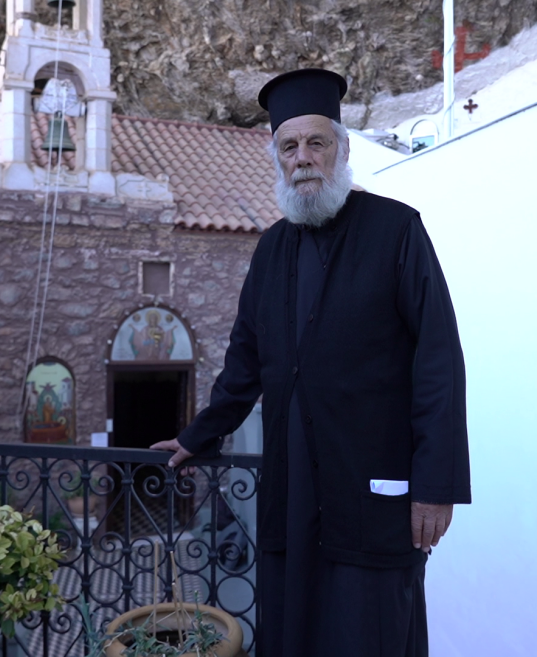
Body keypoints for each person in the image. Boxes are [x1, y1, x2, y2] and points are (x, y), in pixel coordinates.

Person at [151, 68, 471, 656]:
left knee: (370, 633)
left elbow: (439, 361)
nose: (303, 158)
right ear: (277, 159)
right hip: (293, 494)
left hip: (373, 495)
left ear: (341, 150)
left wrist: (436, 485)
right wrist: (199, 435)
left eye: (316, 142)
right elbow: (244, 361)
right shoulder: (271, 248)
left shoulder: (397, 230)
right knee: (294, 631)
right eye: (289, 146)